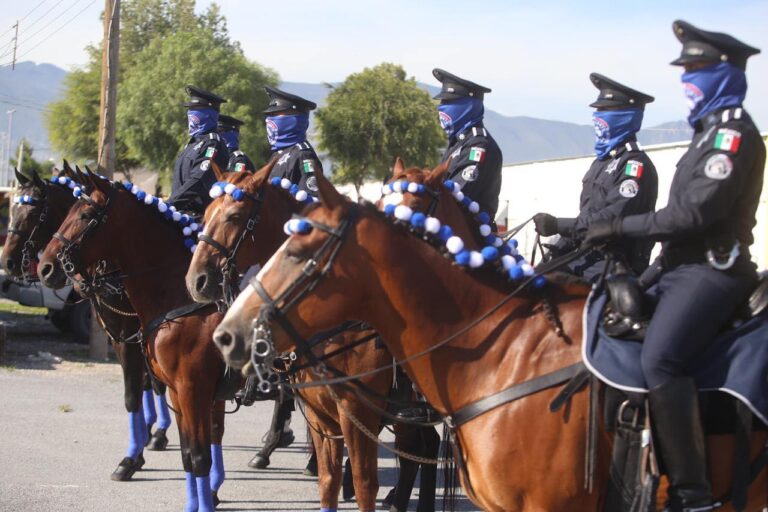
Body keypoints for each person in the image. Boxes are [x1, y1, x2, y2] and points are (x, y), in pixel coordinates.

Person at [585, 20, 763, 511]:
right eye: (687, 70)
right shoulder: (705, 135)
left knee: (661, 357)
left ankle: (693, 493)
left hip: (713, 272)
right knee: (605, 324)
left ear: (726, 74)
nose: (689, 80)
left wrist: (619, 228)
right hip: (675, 268)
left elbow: (693, 215)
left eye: (699, 69)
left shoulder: (733, 137)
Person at [534, 74, 659, 282]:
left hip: (613, 261)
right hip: (585, 253)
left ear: (625, 116)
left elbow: (610, 218)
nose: (597, 116)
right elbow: (587, 214)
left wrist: (559, 225)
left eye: (605, 111)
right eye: (597, 110)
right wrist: (557, 247)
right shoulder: (601, 162)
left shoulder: (635, 166)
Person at [433, 68, 503, 219]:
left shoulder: (478, 146)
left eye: (448, 102)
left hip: (471, 235)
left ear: (468, 105)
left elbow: (455, 195)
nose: (441, 107)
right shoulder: (458, 142)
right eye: (442, 101)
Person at [168, 85, 230, 215]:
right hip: (180, 215)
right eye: (190, 109)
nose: (191, 113)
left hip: (198, 219)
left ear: (210, 113)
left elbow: (198, 180)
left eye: (196, 109)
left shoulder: (213, 143)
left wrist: (170, 204)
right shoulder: (192, 144)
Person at [263, 86, 323, 196]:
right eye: (270, 115)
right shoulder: (278, 154)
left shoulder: (303, 154)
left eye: (276, 115)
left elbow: (313, 204)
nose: (270, 120)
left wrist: (294, 200)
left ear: (294, 119)